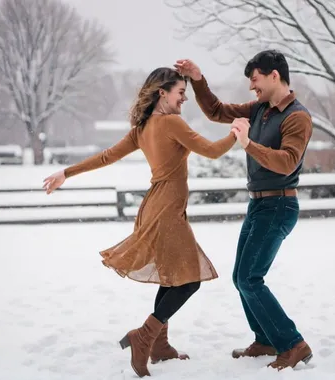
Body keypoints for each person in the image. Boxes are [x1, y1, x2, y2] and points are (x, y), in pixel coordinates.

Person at [42, 67, 240, 377]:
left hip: (156, 207)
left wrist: (66, 173)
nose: (184, 98)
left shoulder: (143, 127)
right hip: (166, 213)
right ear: (163, 93)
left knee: (172, 277)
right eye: (180, 93)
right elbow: (213, 151)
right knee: (188, 281)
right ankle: (144, 336)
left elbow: (107, 156)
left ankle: (159, 345)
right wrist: (236, 132)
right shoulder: (172, 123)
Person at [174, 50, 314, 371]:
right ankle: (265, 339)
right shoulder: (260, 109)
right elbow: (216, 111)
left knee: (251, 278)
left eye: (255, 80)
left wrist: (249, 145)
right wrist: (197, 79)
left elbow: (287, 162)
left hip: (279, 204)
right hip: (259, 203)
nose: (252, 87)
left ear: (274, 76)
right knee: (241, 277)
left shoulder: (297, 116)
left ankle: (293, 344)